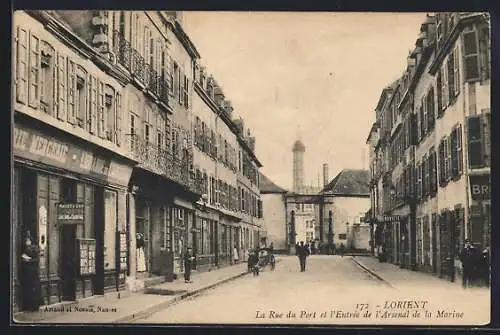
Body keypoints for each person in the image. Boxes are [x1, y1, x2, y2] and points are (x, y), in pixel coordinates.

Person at [20, 230, 41, 311]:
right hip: (28, 272)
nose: (26, 242)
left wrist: (29, 260)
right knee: (29, 289)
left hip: (33, 272)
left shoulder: (34, 248)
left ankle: (35, 306)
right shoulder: (26, 248)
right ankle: (30, 305)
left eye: (27, 240)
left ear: (30, 240)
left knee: (33, 289)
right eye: (26, 240)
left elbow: (37, 259)